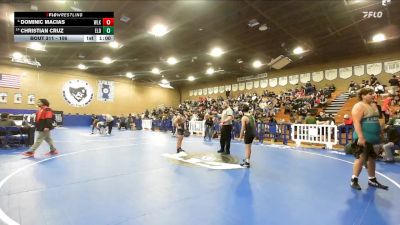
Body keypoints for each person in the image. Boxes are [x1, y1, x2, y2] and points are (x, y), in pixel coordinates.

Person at [350, 88, 388, 190]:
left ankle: (372, 179)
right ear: (363, 95)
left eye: (373, 93)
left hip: (374, 138)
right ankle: (354, 180)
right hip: (363, 138)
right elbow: (356, 123)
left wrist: (380, 133)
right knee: (361, 158)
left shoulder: (374, 105)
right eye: (370, 94)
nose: (373, 95)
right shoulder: (358, 106)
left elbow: (377, 121)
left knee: (372, 159)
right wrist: (361, 138)